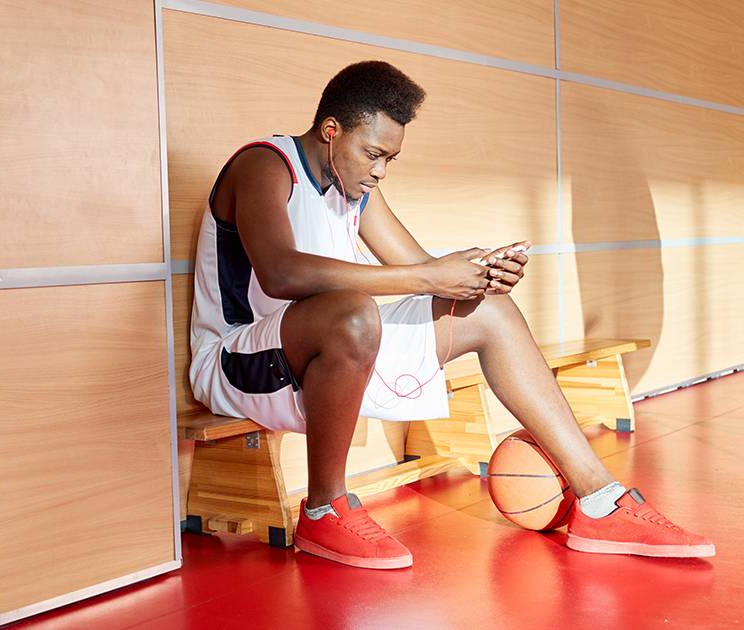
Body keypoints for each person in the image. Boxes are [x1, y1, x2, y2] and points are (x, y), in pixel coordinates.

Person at [187, 60, 714, 569]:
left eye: (390, 159)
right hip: (239, 361)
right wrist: (428, 278)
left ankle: (600, 501)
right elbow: (282, 273)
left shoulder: (356, 192)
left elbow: (421, 269)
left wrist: (475, 277)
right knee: (353, 313)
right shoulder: (263, 165)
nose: (379, 171)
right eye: (372, 153)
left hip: (317, 351)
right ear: (331, 131)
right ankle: (325, 509)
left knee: (489, 313)